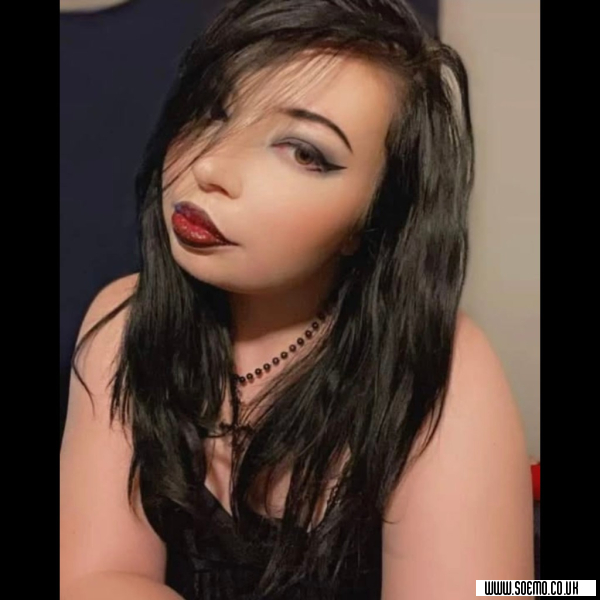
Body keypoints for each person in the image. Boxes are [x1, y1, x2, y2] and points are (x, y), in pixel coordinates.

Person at [60, 1, 534, 598]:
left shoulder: (441, 368)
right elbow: (96, 578)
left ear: (374, 217)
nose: (211, 165)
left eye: (304, 152)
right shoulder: (125, 324)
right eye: (214, 111)